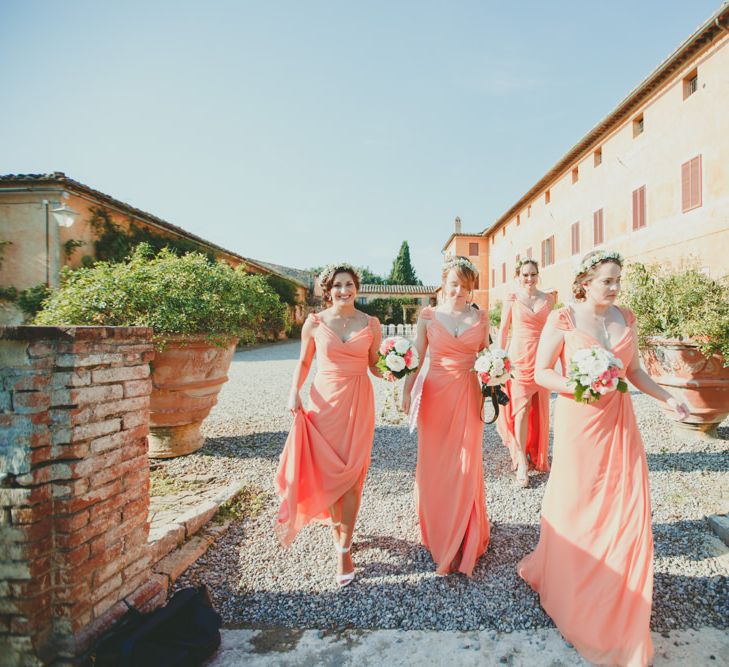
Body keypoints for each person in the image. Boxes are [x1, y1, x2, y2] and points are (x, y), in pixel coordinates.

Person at [518, 250, 689, 666]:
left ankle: (619, 605)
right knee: (580, 507)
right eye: (606, 281)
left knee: (623, 509)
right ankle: (575, 588)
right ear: (585, 282)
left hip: (619, 424)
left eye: (618, 280)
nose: (614, 288)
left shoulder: (626, 318)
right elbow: (541, 372)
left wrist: (669, 397)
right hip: (581, 423)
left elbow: (634, 373)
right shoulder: (564, 319)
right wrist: (577, 387)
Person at [275, 263, 383, 587]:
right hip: (324, 403)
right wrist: (294, 391)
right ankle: (341, 534)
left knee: (352, 476)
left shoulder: (371, 323)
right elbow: (304, 361)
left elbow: (374, 363)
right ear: (328, 290)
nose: (344, 290)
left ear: (357, 288)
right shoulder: (315, 322)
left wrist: (393, 371)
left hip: (359, 402)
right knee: (330, 474)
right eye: (338, 285)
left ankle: (344, 548)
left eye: (349, 284)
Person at [402, 256, 491, 576]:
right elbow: (416, 357)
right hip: (436, 396)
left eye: (465, 287)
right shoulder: (427, 316)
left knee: (467, 462)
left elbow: (488, 356)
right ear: (444, 283)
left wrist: (495, 373)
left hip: (468, 394)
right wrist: (406, 390)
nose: (459, 291)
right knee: (436, 463)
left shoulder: (481, 319)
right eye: (454, 284)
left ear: (471, 290)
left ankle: (466, 534)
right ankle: (439, 530)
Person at [496, 259, 554, 486]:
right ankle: (521, 459)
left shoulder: (548, 299)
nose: (529, 279)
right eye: (525, 275)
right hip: (519, 358)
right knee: (521, 408)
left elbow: (554, 330)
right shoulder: (511, 299)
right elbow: (502, 330)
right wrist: (499, 359)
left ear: (538, 275)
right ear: (518, 276)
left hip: (542, 357)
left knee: (539, 408)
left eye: (532, 274)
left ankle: (535, 451)